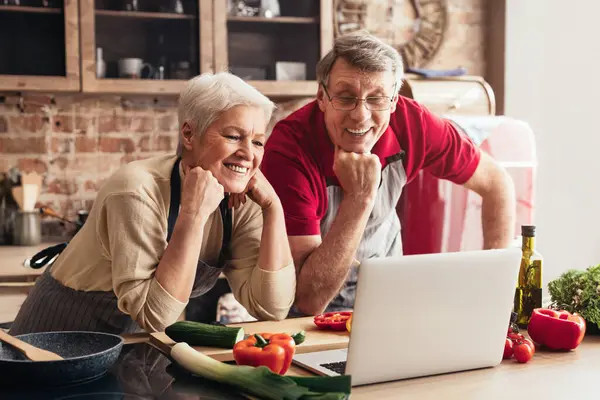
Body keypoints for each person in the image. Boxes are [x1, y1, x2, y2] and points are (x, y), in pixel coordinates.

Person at [10, 72, 296, 335]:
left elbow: (272, 308)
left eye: (258, 142)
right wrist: (193, 214)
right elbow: (155, 315)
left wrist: (273, 208)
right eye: (234, 136)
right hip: (57, 336)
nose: (248, 154)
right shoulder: (135, 190)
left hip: (134, 344)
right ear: (188, 134)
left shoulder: (241, 200)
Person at [261, 32, 516, 316]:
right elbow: (308, 299)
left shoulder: (415, 125)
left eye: (377, 99)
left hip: (388, 297)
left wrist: (497, 293)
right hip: (308, 315)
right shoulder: (288, 151)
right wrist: (359, 198)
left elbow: (498, 183)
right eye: (345, 98)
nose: (360, 115)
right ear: (322, 96)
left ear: (394, 102)